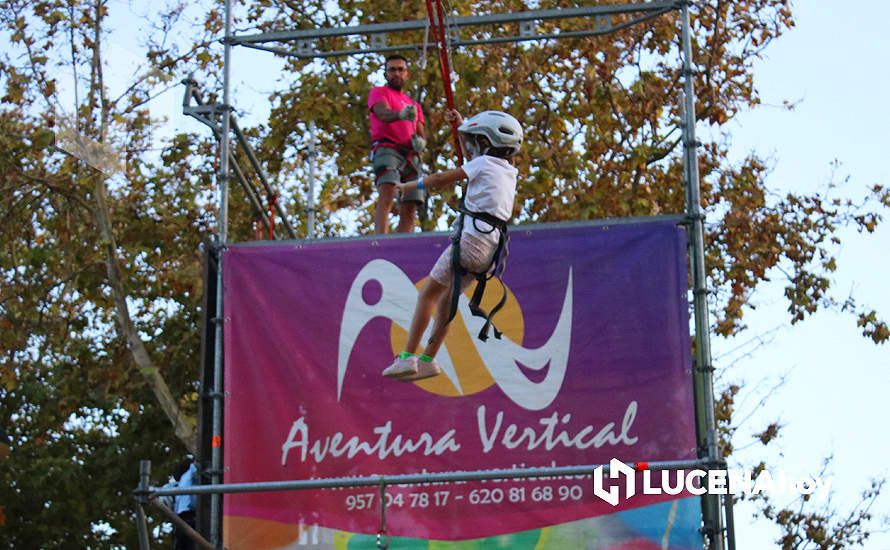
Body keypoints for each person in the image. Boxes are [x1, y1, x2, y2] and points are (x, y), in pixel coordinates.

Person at [382, 109, 523, 381]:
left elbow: (440, 179)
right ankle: (428, 360)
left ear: (485, 143)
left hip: (470, 243)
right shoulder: (509, 172)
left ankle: (408, 356)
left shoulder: (482, 165)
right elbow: (472, 154)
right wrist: (459, 128)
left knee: (428, 295)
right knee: (448, 301)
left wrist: (409, 186)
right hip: (489, 250)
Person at [368, 54, 426, 234]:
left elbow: (420, 130)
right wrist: (400, 115)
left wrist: (421, 142)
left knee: (411, 201)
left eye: (400, 70)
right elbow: (382, 114)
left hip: (410, 153)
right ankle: (380, 240)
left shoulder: (413, 104)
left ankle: (403, 243)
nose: (396, 73)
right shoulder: (379, 92)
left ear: (406, 74)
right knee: (388, 190)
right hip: (387, 148)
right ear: (385, 74)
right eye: (392, 70)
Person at [172, 460, 197, 550]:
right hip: (189, 514)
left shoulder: (179, 485)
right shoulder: (188, 474)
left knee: (181, 543)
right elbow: (194, 466)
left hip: (181, 517)